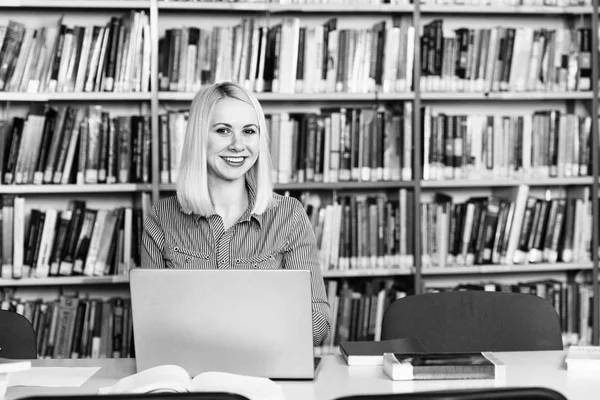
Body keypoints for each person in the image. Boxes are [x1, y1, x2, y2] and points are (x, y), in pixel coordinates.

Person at [141, 81, 331, 346]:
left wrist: (250, 321)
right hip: (192, 375)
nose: (238, 145)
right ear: (199, 137)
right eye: (223, 131)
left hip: (268, 373)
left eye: (249, 131)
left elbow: (320, 324)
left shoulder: (289, 216)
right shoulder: (162, 217)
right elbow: (149, 325)